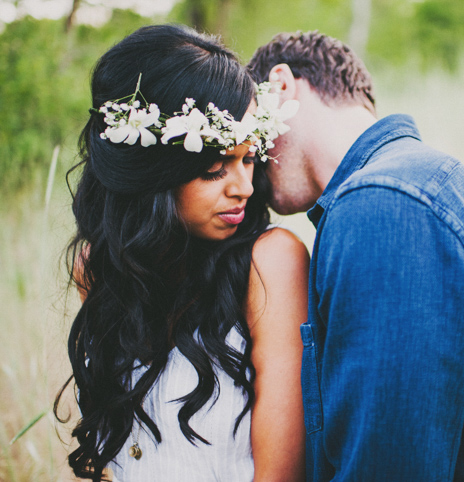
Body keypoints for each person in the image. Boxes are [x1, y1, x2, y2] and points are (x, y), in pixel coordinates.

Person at [248, 31, 464, 481]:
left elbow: (386, 467)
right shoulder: (426, 183)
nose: (250, 160)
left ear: (280, 85)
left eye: (253, 129)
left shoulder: (382, 204)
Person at [54, 25, 307, 482]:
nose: (244, 188)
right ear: (156, 170)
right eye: (215, 168)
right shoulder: (97, 270)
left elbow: (280, 474)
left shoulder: (269, 263)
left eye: (249, 159)